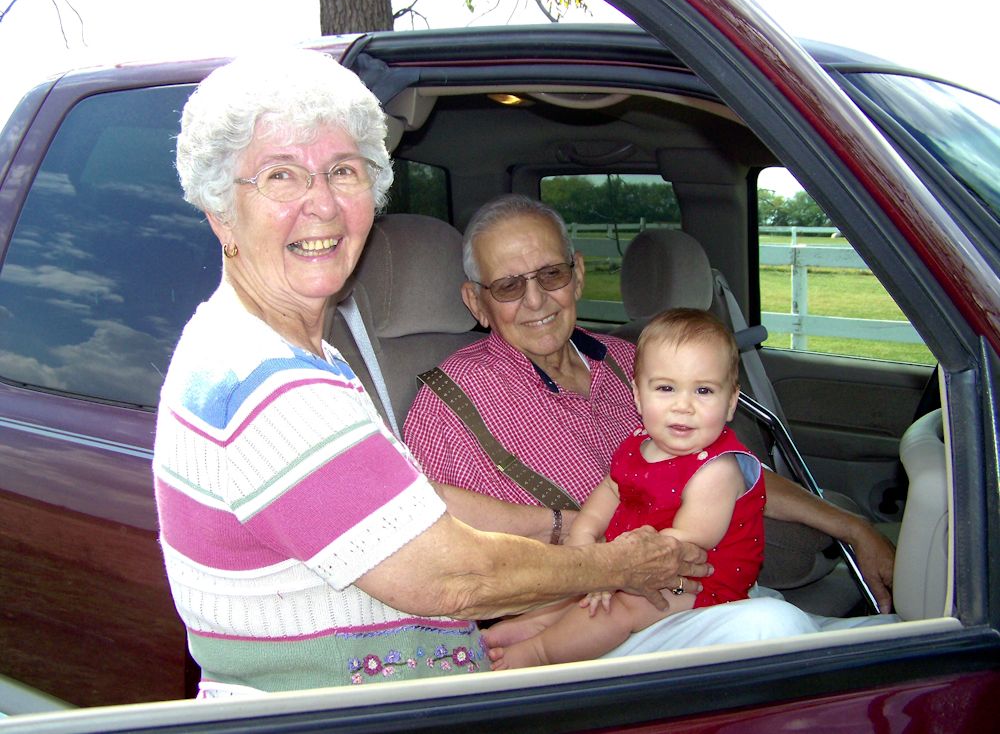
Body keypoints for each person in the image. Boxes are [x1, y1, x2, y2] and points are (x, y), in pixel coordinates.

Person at [153, 49, 711, 696]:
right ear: (222, 213)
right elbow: (448, 577)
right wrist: (613, 564)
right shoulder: (260, 384)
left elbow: (409, 509)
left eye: (343, 171)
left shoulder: (295, 354)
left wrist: (557, 531)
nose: (324, 206)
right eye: (281, 177)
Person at [404, 194, 897, 616]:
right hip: (579, 619)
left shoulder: (634, 364)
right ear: (476, 302)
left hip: (695, 597)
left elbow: (721, 467)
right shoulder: (448, 401)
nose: (536, 301)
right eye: (509, 286)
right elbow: (421, 521)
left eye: (550, 274)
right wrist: (570, 529)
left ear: (577, 276)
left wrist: (853, 528)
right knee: (782, 629)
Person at [485, 308, 766, 669]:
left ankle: (538, 653)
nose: (684, 405)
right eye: (666, 388)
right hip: (630, 563)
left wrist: (612, 568)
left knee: (622, 607)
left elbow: (687, 543)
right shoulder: (637, 443)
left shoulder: (718, 468)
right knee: (570, 595)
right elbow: (610, 492)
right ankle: (531, 625)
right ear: (637, 395)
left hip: (696, 583)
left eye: (704, 390)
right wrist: (586, 536)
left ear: (730, 403)